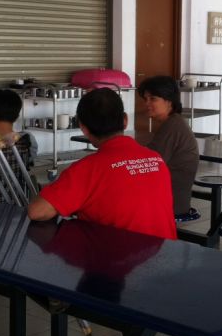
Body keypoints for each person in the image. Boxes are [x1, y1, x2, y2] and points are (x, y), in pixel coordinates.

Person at [27, 88, 177, 240]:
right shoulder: (155, 159)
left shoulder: (87, 169)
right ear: (125, 121)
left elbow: (37, 211)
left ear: (84, 129)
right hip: (165, 255)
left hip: (118, 259)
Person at [137, 75, 199, 216]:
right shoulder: (173, 123)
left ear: (169, 101)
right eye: (145, 99)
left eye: (153, 99)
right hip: (170, 198)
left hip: (171, 202)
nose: (146, 103)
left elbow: (149, 165)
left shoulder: (173, 126)